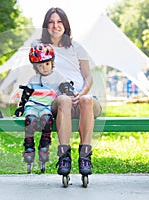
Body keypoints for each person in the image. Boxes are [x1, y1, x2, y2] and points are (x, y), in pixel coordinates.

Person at [39, 7, 102, 185]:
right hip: (58, 100)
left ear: (65, 25)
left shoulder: (77, 47)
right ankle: (64, 156)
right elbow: (39, 76)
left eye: (59, 22)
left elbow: (88, 76)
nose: (55, 25)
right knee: (65, 100)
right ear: (46, 26)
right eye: (51, 22)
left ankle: (85, 156)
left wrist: (82, 92)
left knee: (86, 100)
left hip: (82, 97)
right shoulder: (41, 47)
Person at [13, 43, 74, 173]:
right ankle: (29, 147)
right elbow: (26, 96)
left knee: (46, 120)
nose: (44, 68)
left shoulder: (58, 76)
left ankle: (44, 147)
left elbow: (65, 87)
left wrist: (68, 91)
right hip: (33, 106)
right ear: (35, 67)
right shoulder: (33, 79)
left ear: (52, 63)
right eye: (40, 66)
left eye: (47, 64)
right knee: (30, 121)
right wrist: (19, 110)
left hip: (46, 106)